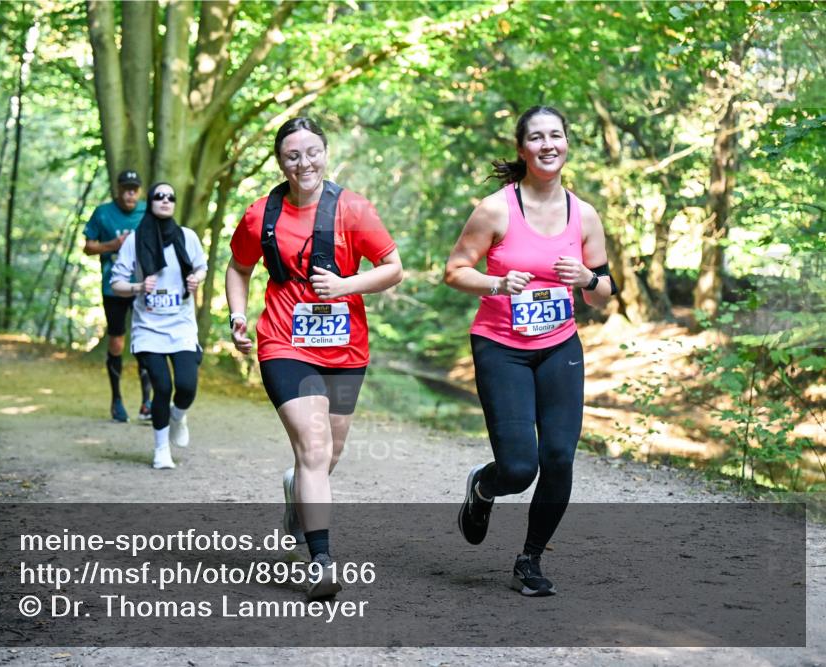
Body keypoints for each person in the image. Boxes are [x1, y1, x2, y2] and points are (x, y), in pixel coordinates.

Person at [225, 117, 402, 600]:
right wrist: (238, 316)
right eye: (292, 155)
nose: (304, 163)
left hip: (345, 350)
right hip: (284, 343)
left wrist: (345, 285)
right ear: (281, 162)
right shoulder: (260, 214)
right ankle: (321, 560)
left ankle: (295, 487)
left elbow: (393, 268)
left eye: (312, 152)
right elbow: (239, 268)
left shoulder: (355, 210)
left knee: (327, 455)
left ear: (326, 152)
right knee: (315, 445)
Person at [444, 106, 616, 597]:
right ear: (522, 149)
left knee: (559, 457)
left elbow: (603, 290)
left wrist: (588, 279)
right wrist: (497, 283)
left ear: (566, 144)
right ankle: (484, 485)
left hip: (559, 344)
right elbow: (455, 271)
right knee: (520, 468)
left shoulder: (584, 215)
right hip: (501, 348)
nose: (548, 145)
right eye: (536, 138)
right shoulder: (496, 209)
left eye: (556, 136)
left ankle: (530, 559)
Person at [110, 182, 207, 470]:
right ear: (150, 202)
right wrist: (138, 286)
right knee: (162, 386)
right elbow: (116, 284)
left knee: (187, 387)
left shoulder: (187, 237)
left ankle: (178, 415)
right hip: (148, 328)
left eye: (170, 197)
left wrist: (196, 279)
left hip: (181, 325)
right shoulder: (134, 240)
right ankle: (161, 449)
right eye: (159, 196)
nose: (165, 201)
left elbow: (201, 266)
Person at [84, 169, 153, 423]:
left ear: (140, 191)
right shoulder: (103, 213)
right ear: (118, 189)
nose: (130, 193)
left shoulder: (149, 210)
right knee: (117, 342)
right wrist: (112, 246)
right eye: (126, 189)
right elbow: (88, 247)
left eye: (134, 189)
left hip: (144, 285)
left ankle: (147, 402)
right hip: (113, 287)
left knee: (145, 341)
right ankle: (117, 400)